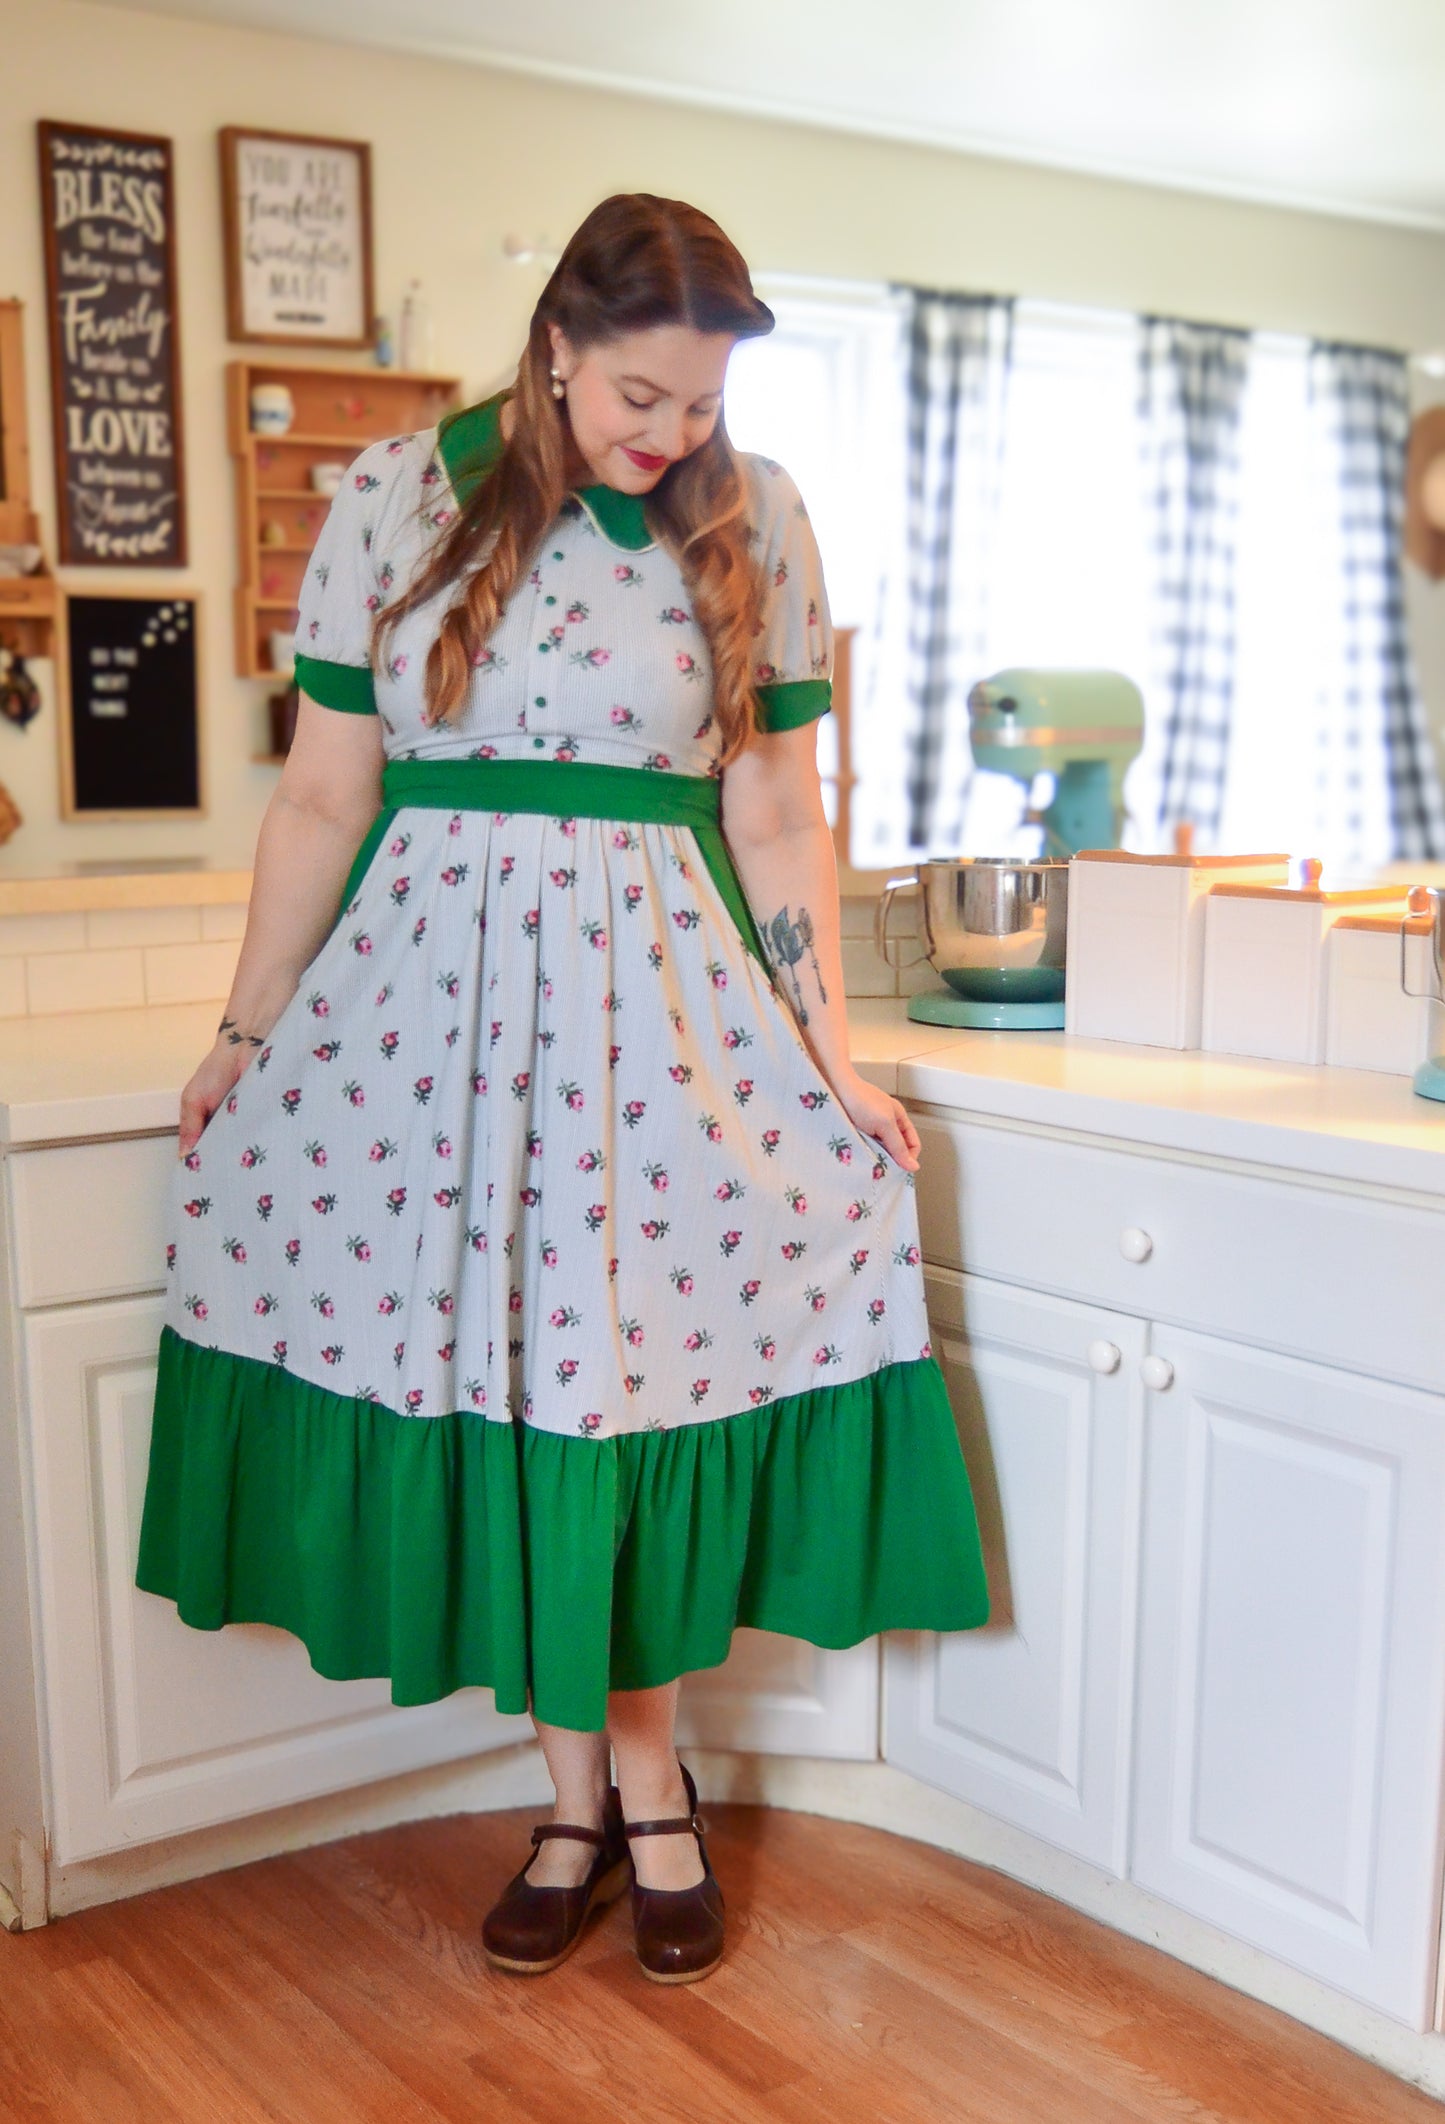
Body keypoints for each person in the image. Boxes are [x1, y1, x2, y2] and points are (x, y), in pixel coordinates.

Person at [135, 192, 990, 1986]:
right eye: (637, 396)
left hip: (656, 1025)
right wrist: (242, 1036)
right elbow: (322, 799)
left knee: (618, 1390)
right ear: (554, 346)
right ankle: (577, 1802)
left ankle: (641, 1795)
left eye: (701, 401)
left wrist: (826, 1056)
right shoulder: (393, 494)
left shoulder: (758, 517)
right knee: (512, 1392)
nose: (670, 435)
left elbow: (776, 813)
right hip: (424, 1028)